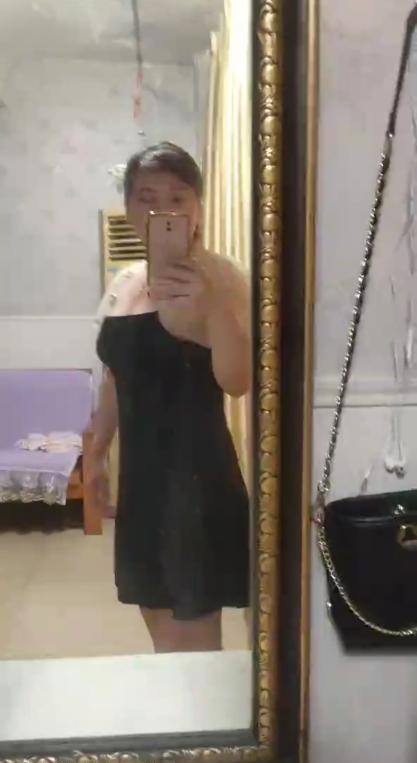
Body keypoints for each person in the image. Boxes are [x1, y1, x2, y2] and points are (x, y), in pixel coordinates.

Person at [91, 141, 250, 653]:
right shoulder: (124, 283)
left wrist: (213, 307)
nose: (162, 210)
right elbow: (117, 376)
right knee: (163, 641)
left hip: (195, 486)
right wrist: (96, 452)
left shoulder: (224, 278)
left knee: (193, 654)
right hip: (141, 485)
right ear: (129, 208)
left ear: (198, 208)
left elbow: (238, 380)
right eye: (147, 197)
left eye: (178, 198)